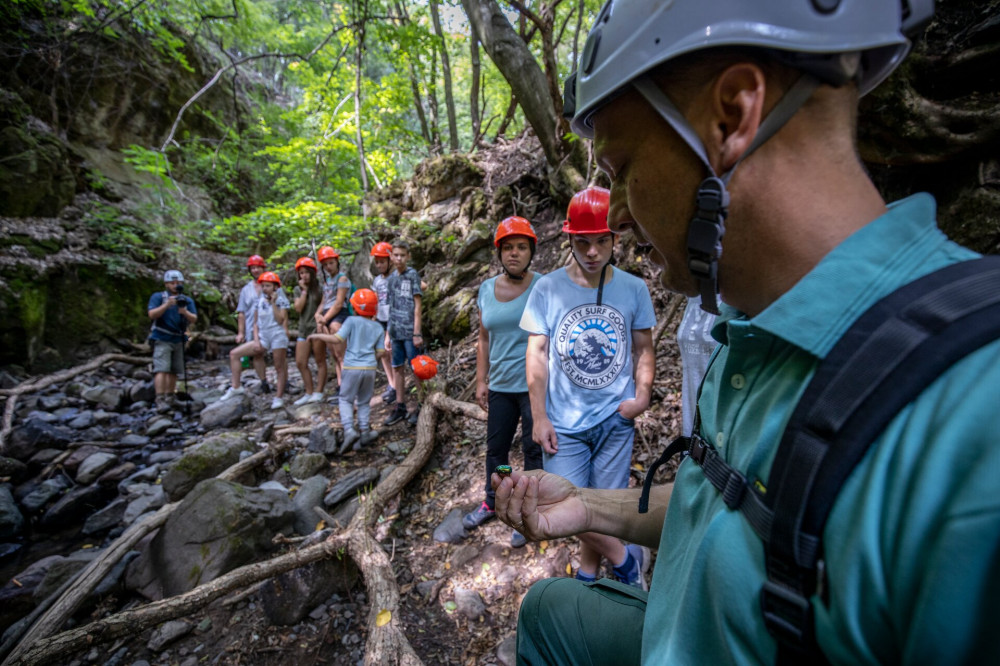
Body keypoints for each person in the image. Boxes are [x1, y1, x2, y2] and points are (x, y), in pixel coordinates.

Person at [494, 2, 1000, 664]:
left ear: (732, 115)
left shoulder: (974, 426)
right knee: (550, 611)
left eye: (620, 171)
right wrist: (589, 506)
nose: (614, 215)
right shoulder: (752, 326)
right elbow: (732, 504)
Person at [519, 186, 656, 586]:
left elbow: (644, 347)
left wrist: (641, 397)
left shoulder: (634, 288)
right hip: (564, 424)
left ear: (615, 238)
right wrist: (540, 415)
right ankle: (626, 560)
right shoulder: (547, 288)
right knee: (565, 502)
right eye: (584, 242)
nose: (593, 251)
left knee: (604, 506)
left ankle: (589, 572)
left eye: (602, 241)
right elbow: (537, 353)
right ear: (570, 240)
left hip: (615, 420)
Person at [462, 217, 545, 549]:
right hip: (500, 386)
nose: (514, 254)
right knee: (496, 449)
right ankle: (492, 499)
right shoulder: (486, 289)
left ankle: (529, 510)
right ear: (499, 253)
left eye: (521, 247)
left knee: (533, 449)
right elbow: (483, 338)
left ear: (531, 251)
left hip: (535, 385)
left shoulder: (544, 285)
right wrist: (481, 380)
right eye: (508, 247)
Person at [310, 288, 385, 451]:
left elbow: (337, 339)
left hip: (351, 367)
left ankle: (349, 429)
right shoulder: (378, 327)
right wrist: (371, 359)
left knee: (345, 399)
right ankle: (364, 431)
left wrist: (317, 336)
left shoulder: (351, 321)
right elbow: (381, 352)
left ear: (356, 308)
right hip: (370, 369)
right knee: (364, 401)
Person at [223, 271, 290, 409]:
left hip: (277, 335)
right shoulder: (258, 301)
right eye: (263, 286)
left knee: (279, 366)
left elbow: (280, 319)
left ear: (275, 287)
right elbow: (254, 322)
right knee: (234, 354)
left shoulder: (280, 300)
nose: (264, 288)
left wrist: (272, 303)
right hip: (263, 336)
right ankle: (235, 386)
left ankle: (278, 397)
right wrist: (256, 340)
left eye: (267, 286)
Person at [383, 240, 424, 427]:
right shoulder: (390, 279)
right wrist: (387, 335)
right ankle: (400, 406)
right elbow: (390, 309)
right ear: (391, 257)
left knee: (416, 368)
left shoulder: (412, 275)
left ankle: (421, 404)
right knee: (397, 367)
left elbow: (417, 305)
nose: (399, 258)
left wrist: (417, 333)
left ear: (407, 256)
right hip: (395, 331)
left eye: (402, 255)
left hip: (410, 332)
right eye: (396, 255)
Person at [147, 269, 197, 413]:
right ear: (166, 284)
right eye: (172, 283)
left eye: (178, 283)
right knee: (162, 369)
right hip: (162, 337)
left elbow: (193, 318)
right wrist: (167, 305)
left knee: (175, 370)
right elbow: (152, 314)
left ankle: (170, 397)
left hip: (179, 338)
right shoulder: (159, 297)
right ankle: (160, 399)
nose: (175, 285)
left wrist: (184, 311)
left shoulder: (186, 300)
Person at [316, 245, 352, 394]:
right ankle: (340, 384)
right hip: (326, 315)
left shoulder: (342, 278)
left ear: (337, 262)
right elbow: (324, 301)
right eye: (325, 265)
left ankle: (348, 387)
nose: (328, 267)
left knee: (342, 355)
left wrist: (324, 318)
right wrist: (317, 315)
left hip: (338, 315)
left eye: (331, 263)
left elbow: (338, 303)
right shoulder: (326, 282)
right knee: (334, 355)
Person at [292, 256, 327, 405]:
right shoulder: (297, 290)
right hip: (303, 329)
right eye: (301, 273)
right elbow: (298, 308)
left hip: (317, 328)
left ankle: (319, 391)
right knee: (300, 362)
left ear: (312, 273)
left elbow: (325, 306)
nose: (303, 275)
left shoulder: (321, 287)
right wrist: (304, 292)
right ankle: (309, 391)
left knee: (320, 360)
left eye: (306, 272)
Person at [234, 254, 270, 393]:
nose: (255, 270)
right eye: (253, 268)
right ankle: (263, 381)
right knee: (257, 354)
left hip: (269, 327)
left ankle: (283, 383)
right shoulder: (246, 289)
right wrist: (241, 332)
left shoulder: (271, 284)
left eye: (258, 267)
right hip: (251, 327)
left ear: (263, 268)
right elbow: (241, 312)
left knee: (279, 355)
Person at [369, 241, 398, 404]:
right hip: (380, 319)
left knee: (392, 351)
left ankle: (397, 385)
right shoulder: (377, 281)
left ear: (389, 260)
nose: (379, 265)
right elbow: (375, 301)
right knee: (383, 353)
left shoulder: (395, 277)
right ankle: (391, 383)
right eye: (377, 262)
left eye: (382, 261)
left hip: (392, 319)